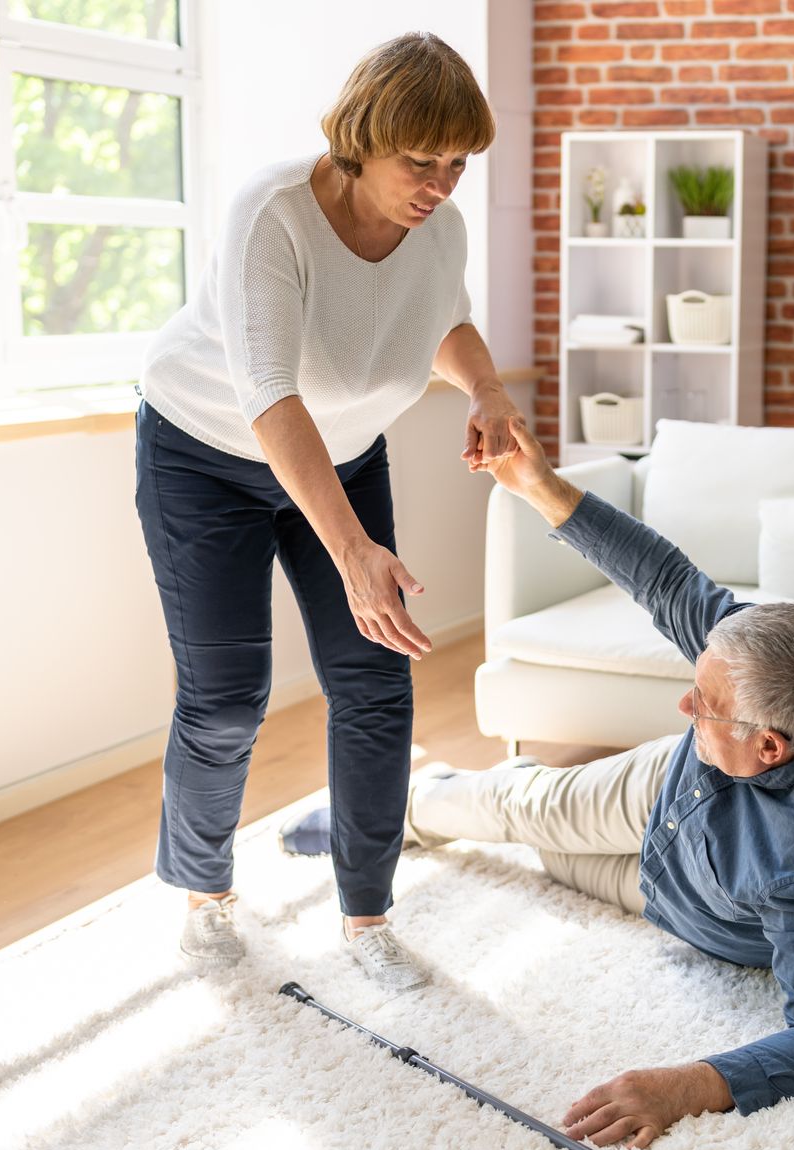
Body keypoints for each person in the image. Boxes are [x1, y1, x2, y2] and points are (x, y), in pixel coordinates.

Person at [403, 416, 794, 1148]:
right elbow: (668, 580)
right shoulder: (792, 657)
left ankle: (492, 806)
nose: (685, 704)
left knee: (548, 864)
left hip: (692, 908)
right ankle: (401, 809)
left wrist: (685, 1086)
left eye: (703, 705)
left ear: (769, 746)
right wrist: (542, 487)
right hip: (667, 787)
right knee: (519, 807)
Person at [132, 32, 518, 990]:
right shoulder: (274, 212)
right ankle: (207, 896)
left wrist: (486, 389)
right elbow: (269, 393)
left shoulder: (440, 228)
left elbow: (446, 322)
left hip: (341, 453)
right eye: (419, 162)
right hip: (205, 453)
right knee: (226, 701)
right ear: (360, 138)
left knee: (378, 683)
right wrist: (352, 550)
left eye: (458, 165)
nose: (439, 185)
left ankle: (367, 919)